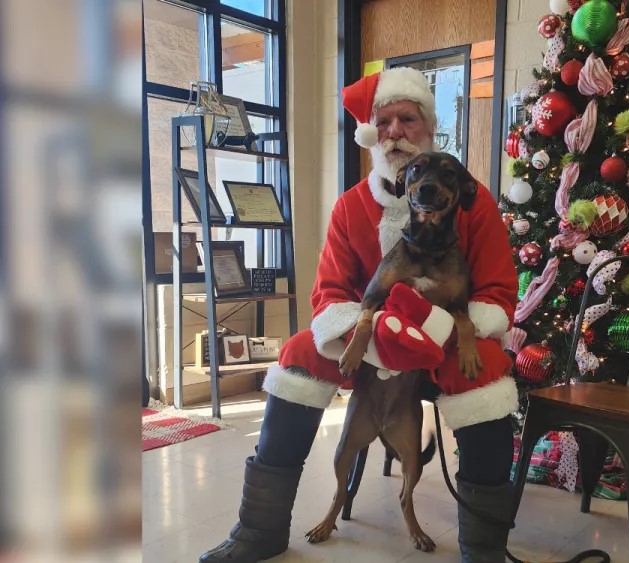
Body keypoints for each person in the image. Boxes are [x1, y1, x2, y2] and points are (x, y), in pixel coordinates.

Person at [200, 67, 519, 563]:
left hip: (448, 342)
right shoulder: (351, 207)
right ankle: (259, 528)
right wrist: (374, 340)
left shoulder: (472, 204)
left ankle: (484, 547)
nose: (395, 132)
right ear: (373, 134)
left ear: (427, 128)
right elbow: (328, 293)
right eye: (385, 121)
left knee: (491, 377)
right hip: (368, 342)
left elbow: (498, 295)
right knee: (298, 354)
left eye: (407, 119)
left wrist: (433, 334)